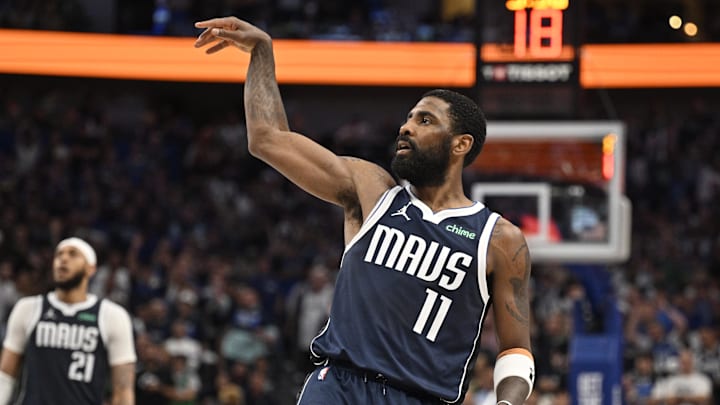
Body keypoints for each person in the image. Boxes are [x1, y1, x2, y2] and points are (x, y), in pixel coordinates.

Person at [194, 17, 534, 405]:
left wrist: (506, 403)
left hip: (421, 397)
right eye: (407, 118)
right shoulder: (373, 191)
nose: (406, 128)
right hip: (337, 385)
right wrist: (261, 54)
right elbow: (268, 139)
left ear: (461, 145)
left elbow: (516, 352)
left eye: (425, 120)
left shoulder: (500, 241)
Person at [0, 237, 137, 405]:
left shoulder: (111, 316)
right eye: (59, 255)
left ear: (90, 269)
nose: (63, 259)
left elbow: (123, 389)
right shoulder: (28, 308)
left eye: (73, 254)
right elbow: (5, 375)